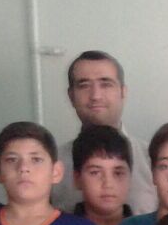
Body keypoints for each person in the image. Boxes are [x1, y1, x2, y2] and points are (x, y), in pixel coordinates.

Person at [54, 50, 155, 214]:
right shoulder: (51, 163)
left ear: (123, 91)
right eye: (84, 85)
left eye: (106, 84)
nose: (96, 96)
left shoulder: (153, 160)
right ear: (71, 96)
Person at [72, 124, 134, 225]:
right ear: (77, 179)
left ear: (130, 177)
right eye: (95, 172)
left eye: (118, 173)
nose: (108, 184)